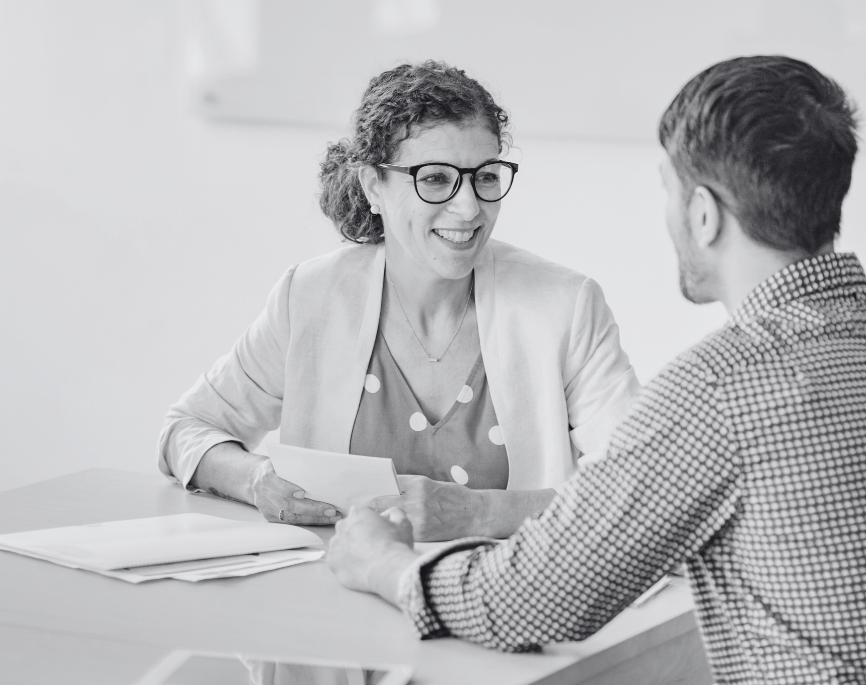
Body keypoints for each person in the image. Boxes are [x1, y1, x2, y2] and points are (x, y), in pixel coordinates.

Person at [327, 55, 866, 684]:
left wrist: (384, 565)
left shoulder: (720, 390)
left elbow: (530, 600)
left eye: (666, 189)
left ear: (702, 213)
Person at [157, 61, 640, 541]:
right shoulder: (309, 297)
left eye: (486, 176)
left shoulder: (566, 306)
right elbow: (187, 429)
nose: (469, 207)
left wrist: (482, 514)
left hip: (504, 605)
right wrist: (257, 479)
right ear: (373, 187)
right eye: (434, 178)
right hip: (337, 597)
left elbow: (641, 489)